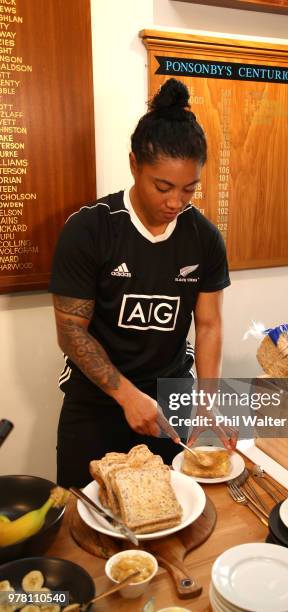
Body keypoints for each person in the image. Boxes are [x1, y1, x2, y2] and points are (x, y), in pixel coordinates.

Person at [49, 78, 232, 487]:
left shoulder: (203, 238)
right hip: (95, 402)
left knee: (172, 515)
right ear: (134, 164)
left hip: (169, 398)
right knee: (85, 522)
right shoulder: (90, 229)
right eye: (163, 187)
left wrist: (206, 400)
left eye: (189, 189)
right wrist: (126, 395)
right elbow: (70, 331)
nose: (175, 202)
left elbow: (209, 324)